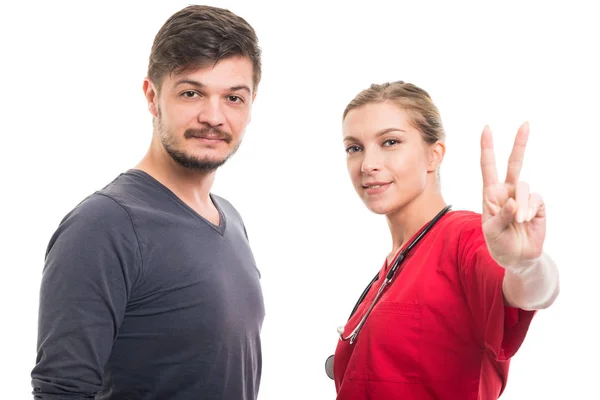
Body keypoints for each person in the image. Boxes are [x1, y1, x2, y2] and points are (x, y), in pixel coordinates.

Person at [31, 5, 264, 400]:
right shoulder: (104, 225)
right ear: (152, 97)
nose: (214, 116)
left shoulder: (231, 218)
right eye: (192, 93)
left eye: (233, 98)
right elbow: (62, 391)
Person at [329, 81, 560, 399]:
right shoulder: (392, 265)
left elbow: (530, 293)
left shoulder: (465, 237)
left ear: (434, 155)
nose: (368, 164)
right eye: (354, 147)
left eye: (390, 142)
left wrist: (527, 264)